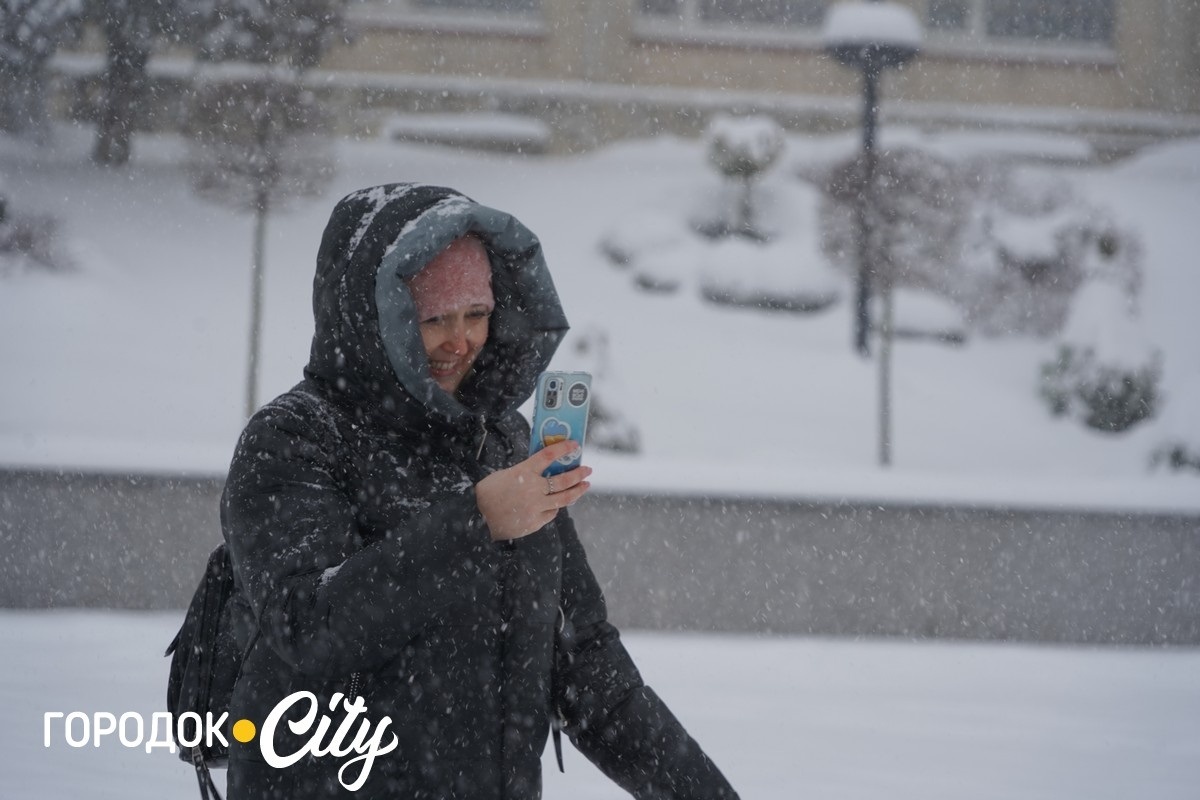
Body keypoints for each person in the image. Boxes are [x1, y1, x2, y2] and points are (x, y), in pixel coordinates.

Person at [220, 183, 741, 799]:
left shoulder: (499, 443)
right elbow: (307, 628)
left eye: (478, 314)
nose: (460, 340)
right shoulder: (297, 436)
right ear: (375, 315)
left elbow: (588, 673)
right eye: (432, 317)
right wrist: (478, 523)